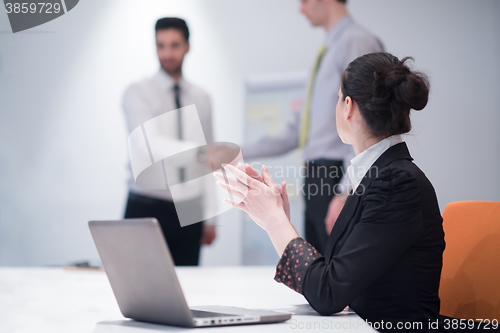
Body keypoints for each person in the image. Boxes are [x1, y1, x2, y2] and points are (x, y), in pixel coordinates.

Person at [215, 52, 445, 331]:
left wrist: (275, 221)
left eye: (337, 98)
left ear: (348, 106)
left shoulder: (396, 183)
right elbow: (335, 280)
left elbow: (329, 294)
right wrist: (276, 220)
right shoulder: (380, 175)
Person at [214, 0, 383, 255]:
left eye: (304, 1)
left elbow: (368, 122)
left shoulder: (357, 42)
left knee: (335, 269)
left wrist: (348, 189)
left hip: (337, 175)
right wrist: (235, 152)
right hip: (319, 174)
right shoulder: (329, 50)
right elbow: (296, 131)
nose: (300, 9)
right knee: (320, 266)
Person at [122, 17, 216, 266]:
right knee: (139, 288)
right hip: (146, 205)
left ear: (187, 46)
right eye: (160, 45)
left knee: (189, 291)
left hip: (190, 207)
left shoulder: (202, 98)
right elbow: (147, 144)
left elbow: (207, 160)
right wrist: (197, 153)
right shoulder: (137, 92)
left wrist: (210, 217)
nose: (167, 53)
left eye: (174, 45)